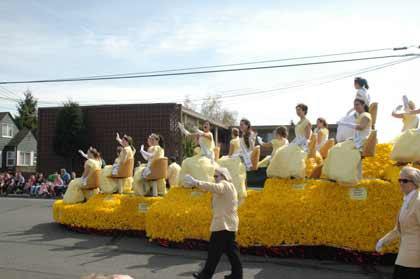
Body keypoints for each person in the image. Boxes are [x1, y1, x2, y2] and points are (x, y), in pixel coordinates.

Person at [184, 167, 242, 279]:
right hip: (228, 224)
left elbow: (214, 187)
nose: (214, 178)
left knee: (214, 252)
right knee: (231, 252)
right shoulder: (230, 187)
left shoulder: (224, 184)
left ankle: (206, 275)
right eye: (214, 176)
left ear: (224, 176)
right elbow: (212, 189)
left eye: (216, 176)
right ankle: (237, 275)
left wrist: (196, 182)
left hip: (223, 224)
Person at [376, 166, 420, 278]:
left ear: (415, 182)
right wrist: (382, 241)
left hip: (414, 258)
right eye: (399, 180)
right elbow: (398, 229)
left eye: (405, 181)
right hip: (405, 255)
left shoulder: (418, 202)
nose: (401, 183)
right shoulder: (407, 201)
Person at [322, 99, 372, 184]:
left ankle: (348, 177)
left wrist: (345, 124)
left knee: (349, 153)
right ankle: (334, 175)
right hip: (355, 140)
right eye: (355, 105)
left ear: (363, 105)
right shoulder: (360, 116)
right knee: (335, 150)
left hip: (362, 141)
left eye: (357, 104)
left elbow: (361, 127)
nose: (356, 107)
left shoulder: (366, 115)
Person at [267, 104, 312, 179]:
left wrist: (297, 144)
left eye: (299, 110)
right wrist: (293, 143)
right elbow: (297, 136)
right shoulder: (298, 122)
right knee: (282, 151)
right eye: (296, 110)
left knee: (288, 153)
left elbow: (307, 137)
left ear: (304, 111)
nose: (297, 111)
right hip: (297, 143)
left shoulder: (307, 122)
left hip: (303, 145)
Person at [336, 77, 370, 143]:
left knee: (345, 121)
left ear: (357, 84)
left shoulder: (359, 91)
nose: (354, 85)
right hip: (365, 110)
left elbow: (359, 102)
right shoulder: (365, 91)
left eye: (354, 84)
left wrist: (350, 111)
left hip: (360, 112)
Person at [218, 127, 247, 201]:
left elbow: (230, 154)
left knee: (219, 163)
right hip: (239, 159)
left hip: (233, 158)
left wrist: (227, 157)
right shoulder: (241, 140)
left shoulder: (233, 141)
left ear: (232, 134)